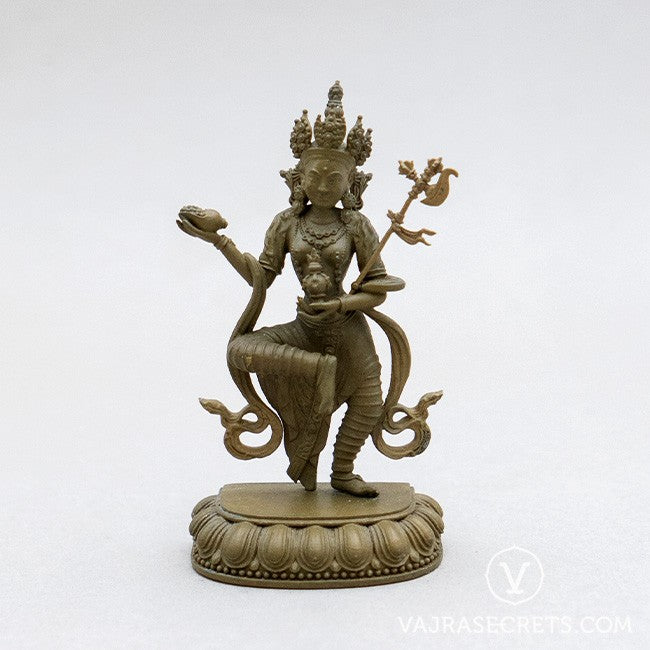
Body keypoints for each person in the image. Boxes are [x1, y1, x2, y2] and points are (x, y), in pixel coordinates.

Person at [177, 82, 403, 497]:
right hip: (304, 329)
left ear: (350, 184)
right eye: (314, 176)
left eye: (334, 177)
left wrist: (342, 303)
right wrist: (219, 241)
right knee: (240, 350)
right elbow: (260, 276)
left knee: (368, 401)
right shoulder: (287, 223)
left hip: (347, 328)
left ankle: (343, 470)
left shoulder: (356, 225)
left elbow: (378, 289)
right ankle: (319, 371)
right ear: (299, 179)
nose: (323, 185)